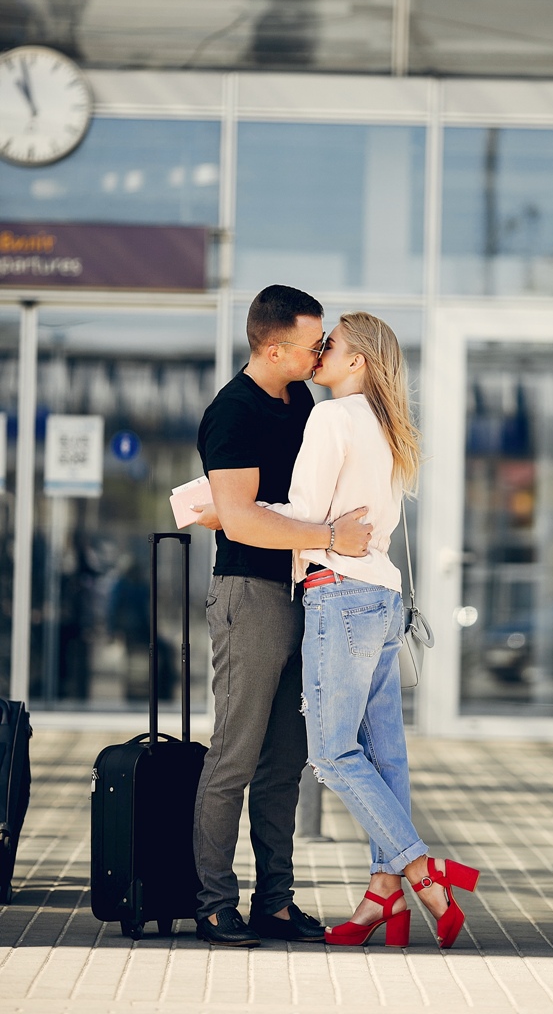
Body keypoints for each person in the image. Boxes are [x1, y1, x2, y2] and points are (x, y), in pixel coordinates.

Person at [200, 312, 480, 949]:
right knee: (386, 756)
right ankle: (385, 892)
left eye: (333, 346)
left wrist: (225, 512)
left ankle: (420, 868)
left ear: (357, 362)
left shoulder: (328, 416)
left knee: (330, 754)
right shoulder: (387, 423)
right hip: (382, 597)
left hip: (337, 595)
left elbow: (301, 516)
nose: (321, 352)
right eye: (316, 343)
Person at [192, 285, 373, 949]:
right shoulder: (232, 413)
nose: (321, 351)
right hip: (251, 595)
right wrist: (329, 537)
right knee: (234, 758)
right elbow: (239, 519)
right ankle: (213, 903)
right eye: (311, 344)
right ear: (273, 348)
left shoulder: (301, 398)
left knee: (286, 762)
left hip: (308, 593)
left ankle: (275, 902)